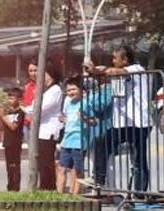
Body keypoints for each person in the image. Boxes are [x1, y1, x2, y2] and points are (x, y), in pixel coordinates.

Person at [86, 45, 154, 192]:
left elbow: (116, 71)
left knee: (138, 160)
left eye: (115, 58)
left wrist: (98, 70)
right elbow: (113, 83)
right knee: (101, 143)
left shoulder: (137, 69)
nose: (113, 61)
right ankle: (99, 180)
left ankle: (140, 192)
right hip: (122, 123)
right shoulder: (120, 75)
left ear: (125, 59)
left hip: (138, 123)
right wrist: (94, 73)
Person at [29, 65, 63, 190]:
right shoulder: (45, 89)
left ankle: (48, 187)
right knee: (41, 161)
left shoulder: (55, 90)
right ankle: (44, 185)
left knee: (47, 161)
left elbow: (40, 109)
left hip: (48, 131)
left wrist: (26, 110)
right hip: (41, 131)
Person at [57, 76, 86, 194]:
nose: (71, 92)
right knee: (61, 168)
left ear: (80, 90)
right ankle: (59, 195)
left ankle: (75, 195)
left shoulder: (85, 104)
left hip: (79, 141)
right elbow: (67, 121)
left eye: (73, 89)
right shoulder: (68, 104)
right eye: (68, 90)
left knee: (77, 170)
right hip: (67, 141)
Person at [0, 87, 25, 191]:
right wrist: (3, 116)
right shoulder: (9, 112)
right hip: (8, 143)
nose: (10, 101)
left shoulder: (20, 113)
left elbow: (13, 127)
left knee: (15, 167)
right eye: (9, 98)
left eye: (12, 98)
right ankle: (10, 187)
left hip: (15, 143)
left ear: (19, 99)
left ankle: (15, 188)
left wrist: (3, 117)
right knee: (9, 167)